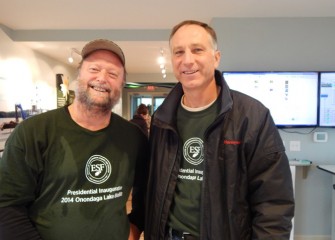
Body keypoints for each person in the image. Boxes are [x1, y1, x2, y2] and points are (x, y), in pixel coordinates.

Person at [145, 20, 294, 240]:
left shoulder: (252, 117)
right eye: (179, 52)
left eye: (197, 50)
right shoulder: (162, 118)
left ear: (216, 57)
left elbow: (274, 205)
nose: (187, 60)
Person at [0, 39, 148, 240]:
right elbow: (7, 205)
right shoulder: (33, 132)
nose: (102, 78)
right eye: (94, 69)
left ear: (121, 84)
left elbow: (146, 191)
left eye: (113, 74)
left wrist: (135, 228)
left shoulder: (133, 137)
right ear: (79, 75)